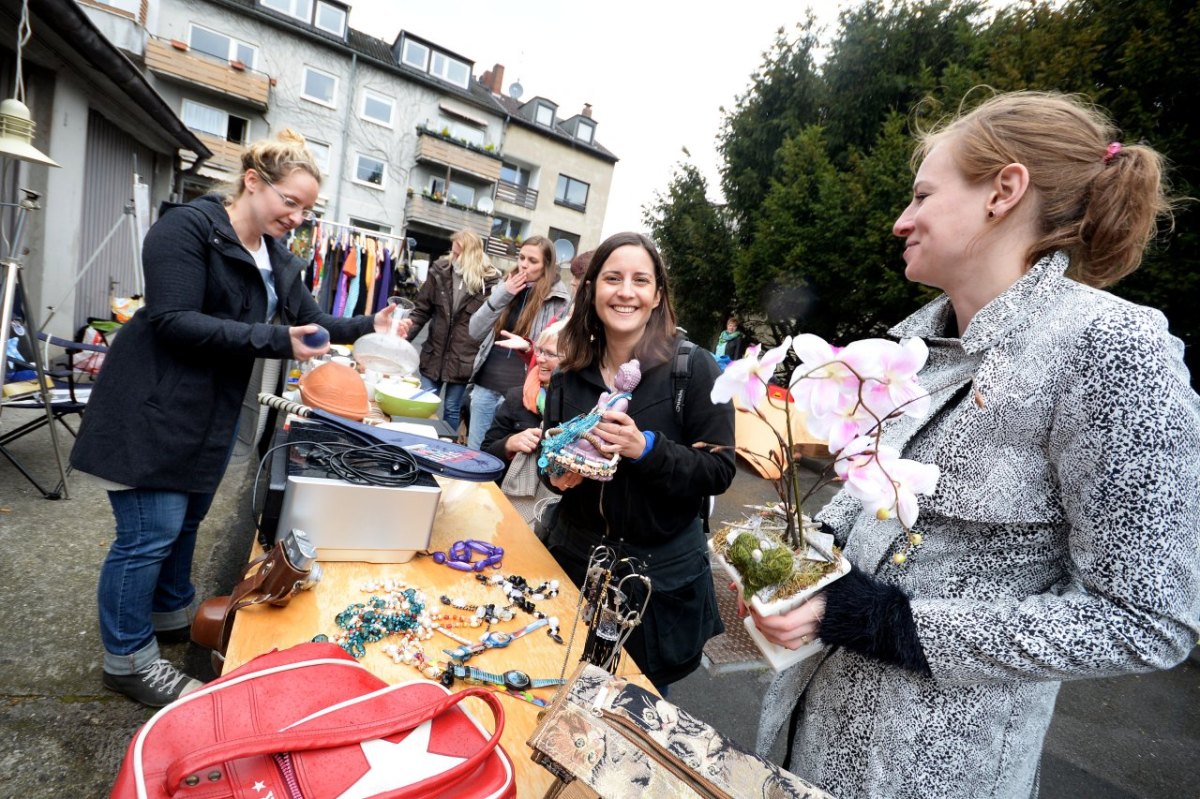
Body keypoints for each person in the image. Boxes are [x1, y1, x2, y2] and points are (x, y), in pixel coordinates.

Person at [751, 91, 1200, 799]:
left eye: (923, 194)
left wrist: (887, 620)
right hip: (809, 739)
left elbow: (1148, 619)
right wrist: (790, 559)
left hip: (930, 776)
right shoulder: (914, 343)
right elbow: (881, 509)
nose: (902, 220)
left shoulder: (1111, 348)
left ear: (1004, 190)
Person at [70, 130, 409, 708]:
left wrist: (366, 327)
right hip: (154, 402)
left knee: (185, 523)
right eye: (290, 203)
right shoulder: (187, 230)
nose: (298, 218)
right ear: (253, 181)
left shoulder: (277, 259)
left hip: (209, 410)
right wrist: (277, 338)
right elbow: (174, 320)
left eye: (307, 209)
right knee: (147, 535)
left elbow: (311, 322)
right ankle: (126, 658)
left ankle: (172, 614)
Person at [541, 232, 736, 692]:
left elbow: (719, 470)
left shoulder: (694, 369)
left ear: (657, 296)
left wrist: (646, 448)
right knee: (551, 686)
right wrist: (557, 474)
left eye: (639, 280)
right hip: (574, 562)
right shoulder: (570, 372)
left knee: (630, 713)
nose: (625, 291)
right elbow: (548, 455)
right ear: (591, 290)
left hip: (653, 585)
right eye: (612, 278)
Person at [466, 235, 569, 450]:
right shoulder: (504, 287)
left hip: (521, 393)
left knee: (505, 456)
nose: (524, 264)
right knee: (476, 452)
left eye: (533, 261)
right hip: (486, 384)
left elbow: (555, 350)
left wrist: (529, 346)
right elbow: (474, 330)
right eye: (522, 257)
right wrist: (503, 294)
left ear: (546, 266)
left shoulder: (559, 300)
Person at [406, 230, 500, 433]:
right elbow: (422, 309)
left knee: (451, 408)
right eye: (453, 252)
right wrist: (403, 338)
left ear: (471, 255)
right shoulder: (440, 271)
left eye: (458, 254)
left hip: (463, 357)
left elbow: (490, 324)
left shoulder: (488, 283)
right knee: (423, 402)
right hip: (434, 353)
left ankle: (447, 446)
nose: (453, 257)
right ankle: (416, 438)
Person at [480, 320, 566, 529]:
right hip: (505, 512)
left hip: (557, 520)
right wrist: (509, 443)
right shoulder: (517, 396)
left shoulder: (582, 410)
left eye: (550, 354)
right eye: (539, 351)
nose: (540, 359)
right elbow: (484, 456)